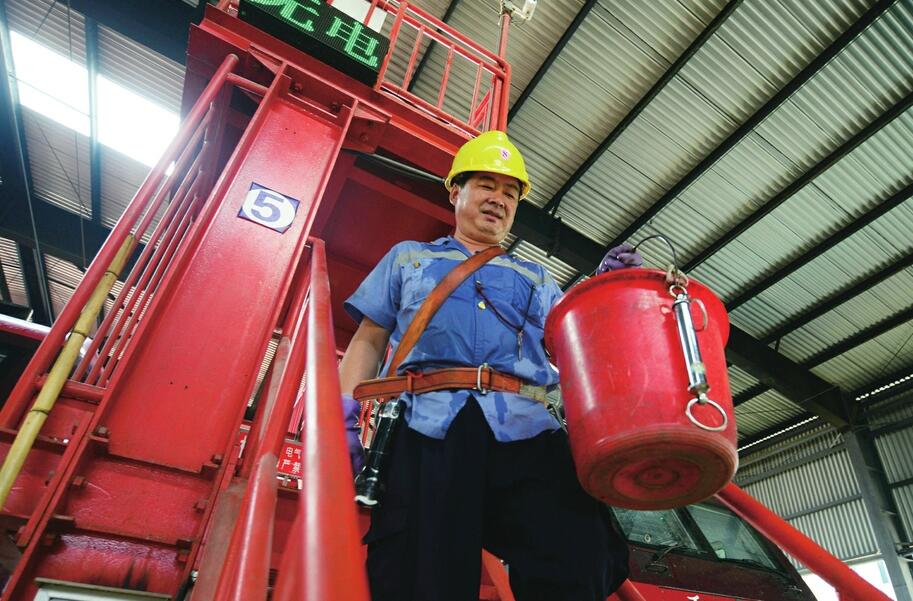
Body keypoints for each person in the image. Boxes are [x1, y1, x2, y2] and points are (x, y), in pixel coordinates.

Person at [338, 130, 641, 601]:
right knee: (421, 572)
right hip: (429, 429)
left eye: (511, 192)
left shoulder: (537, 277)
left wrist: (601, 290)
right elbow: (367, 341)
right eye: (486, 185)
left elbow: (573, 343)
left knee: (584, 552)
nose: (499, 199)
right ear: (455, 191)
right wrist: (343, 422)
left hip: (526, 430)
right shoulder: (408, 258)